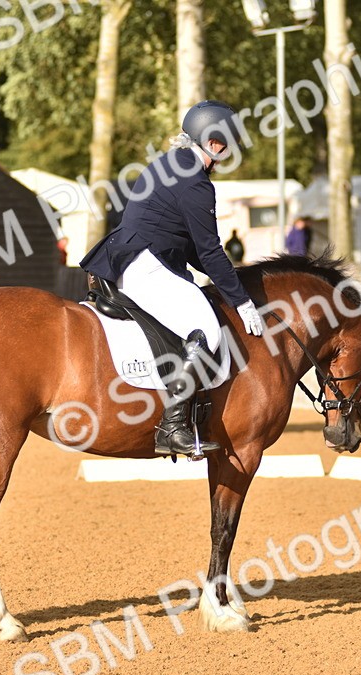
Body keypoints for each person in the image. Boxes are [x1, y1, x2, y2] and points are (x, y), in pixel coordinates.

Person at [80, 100, 265, 456]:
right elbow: (209, 251)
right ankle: (173, 426)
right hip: (146, 266)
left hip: (128, 258)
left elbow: (195, 248)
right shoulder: (195, 182)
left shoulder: (169, 164)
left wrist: (228, 283)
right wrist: (241, 300)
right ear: (213, 143)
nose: (230, 153)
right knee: (207, 332)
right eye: (228, 144)